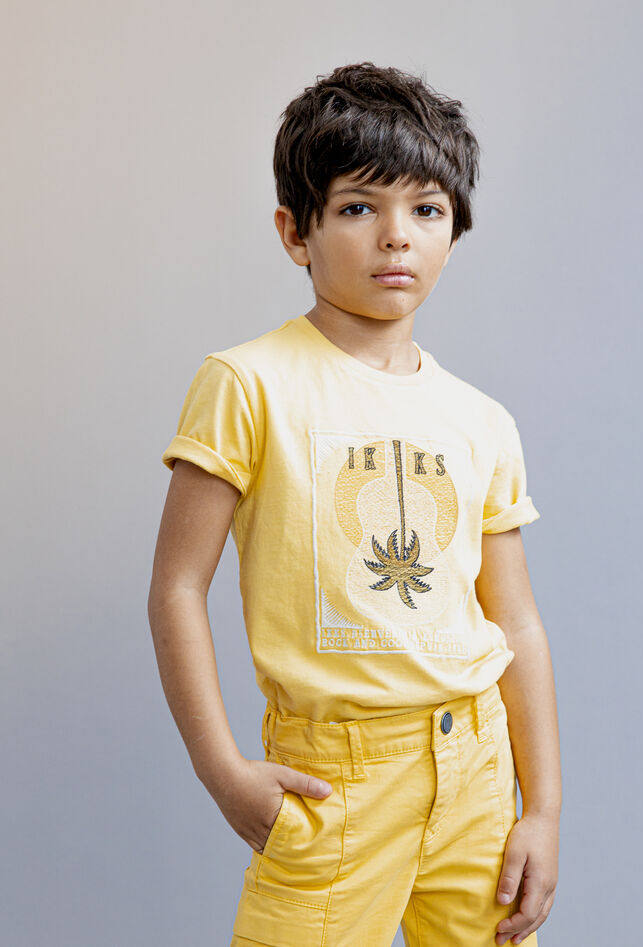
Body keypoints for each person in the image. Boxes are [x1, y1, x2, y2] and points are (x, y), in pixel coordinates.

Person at [148, 62, 561, 947]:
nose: (395, 238)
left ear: (456, 232)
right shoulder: (248, 383)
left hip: (478, 771)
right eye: (358, 207)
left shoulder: (481, 419)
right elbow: (178, 585)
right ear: (295, 231)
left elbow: (516, 621)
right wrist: (221, 768)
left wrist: (543, 808)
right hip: (336, 778)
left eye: (426, 210)